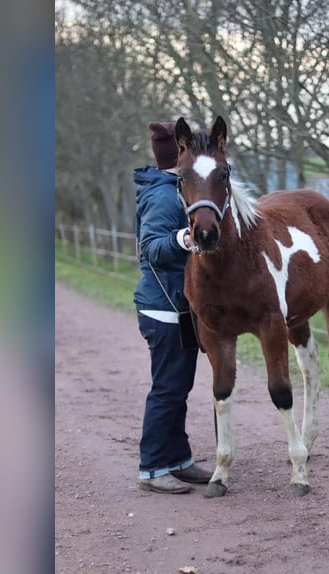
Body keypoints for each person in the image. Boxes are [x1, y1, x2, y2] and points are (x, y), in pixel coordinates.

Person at [132, 121, 212, 494]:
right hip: (163, 308)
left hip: (177, 307)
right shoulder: (163, 197)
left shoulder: (176, 190)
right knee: (166, 389)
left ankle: (178, 460)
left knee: (178, 387)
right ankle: (152, 468)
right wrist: (184, 237)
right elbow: (152, 249)